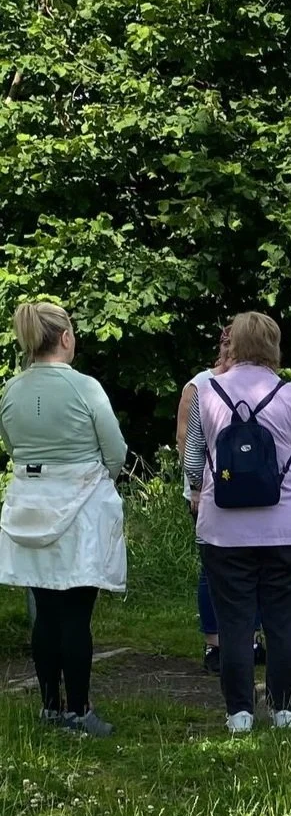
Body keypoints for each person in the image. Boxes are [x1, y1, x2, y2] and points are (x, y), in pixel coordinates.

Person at [182, 312, 291, 733]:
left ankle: (239, 713)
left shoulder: (208, 391)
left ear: (234, 342)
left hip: (224, 530)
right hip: (288, 528)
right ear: (274, 345)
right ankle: (285, 711)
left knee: (235, 622)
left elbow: (192, 462)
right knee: (283, 621)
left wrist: (201, 488)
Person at [0, 302, 127, 737]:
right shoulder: (84, 387)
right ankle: (79, 711)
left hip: (30, 506)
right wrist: (92, 483)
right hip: (79, 508)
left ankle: (50, 706)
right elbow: (116, 452)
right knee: (75, 616)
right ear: (67, 338)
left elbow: (14, 449)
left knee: (46, 614)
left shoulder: (12, 390)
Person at [175, 326, 262, 674]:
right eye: (226, 347)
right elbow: (186, 441)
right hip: (209, 490)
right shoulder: (198, 385)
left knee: (255, 564)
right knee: (212, 570)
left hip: (249, 489)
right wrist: (196, 489)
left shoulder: (253, 384)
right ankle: (214, 642)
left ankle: (250, 638)